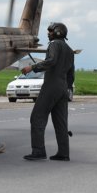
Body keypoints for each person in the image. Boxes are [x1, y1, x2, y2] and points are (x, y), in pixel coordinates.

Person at [22, 22, 75, 161]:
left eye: (50, 31)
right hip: (63, 88)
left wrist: (32, 67)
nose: (48, 33)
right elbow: (71, 73)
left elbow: (51, 61)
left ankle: (38, 151)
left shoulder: (54, 45)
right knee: (61, 122)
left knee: (37, 117)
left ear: (58, 32)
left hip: (52, 86)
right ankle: (64, 153)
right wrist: (69, 89)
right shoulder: (69, 50)